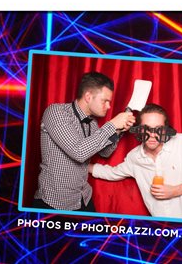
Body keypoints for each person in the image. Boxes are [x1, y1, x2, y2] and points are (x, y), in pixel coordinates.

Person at [90, 103, 182, 220]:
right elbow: (112, 173)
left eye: (158, 129)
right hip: (163, 229)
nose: (152, 135)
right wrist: (84, 167)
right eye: (146, 128)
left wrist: (175, 191)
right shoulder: (135, 157)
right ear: (139, 129)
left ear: (166, 129)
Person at [33, 71, 135, 211]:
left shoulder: (92, 123)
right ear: (88, 97)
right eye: (105, 101)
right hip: (54, 201)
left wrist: (118, 130)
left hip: (83, 197)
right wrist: (112, 125)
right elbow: (79, 152)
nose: (108, 106)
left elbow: (105, 152)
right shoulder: (56, 112)